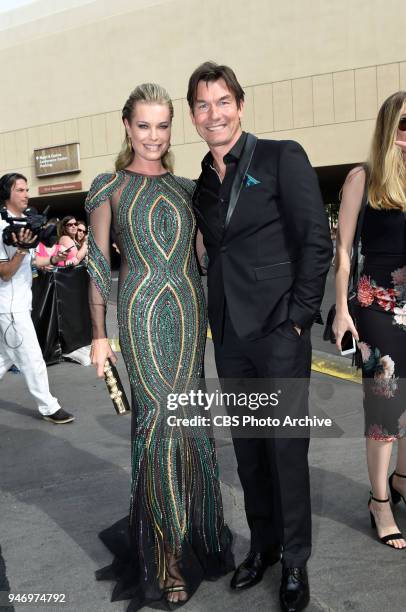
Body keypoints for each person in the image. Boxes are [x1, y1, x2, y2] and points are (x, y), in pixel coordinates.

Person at [187, 62, 332, 612]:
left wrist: (297, 318)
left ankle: (295, 561)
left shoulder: (280, 156)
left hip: (278, 330)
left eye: (222, 101)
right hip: (228, 334)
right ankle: (264, 547)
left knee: (286, 451)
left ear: (240, 106)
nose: (213, 113)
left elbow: (315, 240)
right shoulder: (202, 178)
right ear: (194, 117)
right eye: (202, 106)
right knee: (249, 453)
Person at [86, 83, 234, 610]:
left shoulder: (189, 189)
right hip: (144, 314)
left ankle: (199, 534)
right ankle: (165, 554)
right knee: (158, 425)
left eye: (163, 125)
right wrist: (100, 335)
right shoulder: (109, 187)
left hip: (189, 313)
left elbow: (203, 253)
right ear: (126, 125)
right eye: (144, 125)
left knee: (190, 422)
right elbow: (101, 266)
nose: (154, 136)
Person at [333, 91, 406, 549]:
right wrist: (341, 308)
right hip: (376, 306)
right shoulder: (364, 178)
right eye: (405, 124)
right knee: (385, 408)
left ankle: (402, 480)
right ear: (388, 127)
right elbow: (341, 251)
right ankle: (380, 502)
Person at [0, 172, 74, 424]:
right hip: (9, 307)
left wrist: (54, 259)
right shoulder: (0, 227)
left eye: (27, 189)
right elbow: (6, 272)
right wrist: (22, 249)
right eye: (20, 190)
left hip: (18, 305)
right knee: (32, 358)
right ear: (7, 193)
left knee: (5, 358)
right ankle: (49, 406)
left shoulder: (26, 222)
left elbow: (34, 261)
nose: (26, 194)